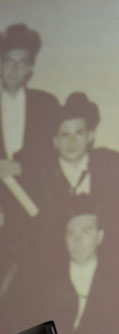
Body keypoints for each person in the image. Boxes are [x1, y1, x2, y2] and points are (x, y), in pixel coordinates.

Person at [0, 23, 60, 290]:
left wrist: (21, 167)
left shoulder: (46, 105)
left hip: (35, 212)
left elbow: (55, 155)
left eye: (22, 62)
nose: (14, 69)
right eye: (8, 61)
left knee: (33, 287)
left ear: (30, 69)